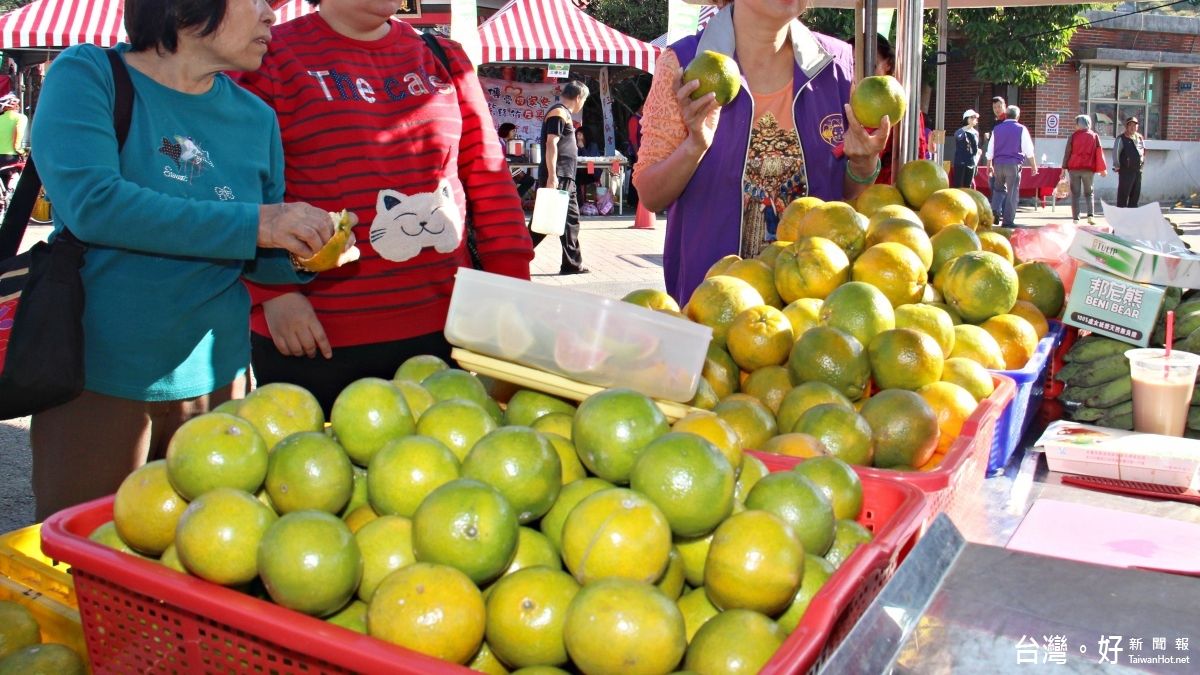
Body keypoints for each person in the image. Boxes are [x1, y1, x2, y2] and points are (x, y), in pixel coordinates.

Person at [29, 0, 340, 519]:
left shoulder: (255, 117)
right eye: (258, 0)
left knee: (210, 560)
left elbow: (255, 255)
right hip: (97, 377)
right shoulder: (87, 74)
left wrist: (306, 255)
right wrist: (260, 224)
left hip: (220, 382)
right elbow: (94, 204)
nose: (270, 16)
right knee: (81, 556)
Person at [237, 0, 533, 414]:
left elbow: (488, 177)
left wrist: (513, 292)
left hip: (448, 333)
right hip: (315, 337)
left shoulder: (444, 56)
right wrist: (271, 293)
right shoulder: (268, 56)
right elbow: (239, 186)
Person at [633, 0, 889, 304]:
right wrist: (695, 145)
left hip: (817, 307)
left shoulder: (839, 64)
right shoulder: (684, 63)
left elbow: (845, 195)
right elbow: (651, 194)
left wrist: (863, 163)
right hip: (714, 304)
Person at [531, 81, 589, 275]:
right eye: (584, 100)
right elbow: (551, 144)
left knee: (570, 220)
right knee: (543, 223)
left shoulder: (563, 113)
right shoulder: (558, 113)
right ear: (579, 97)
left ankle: (571, 264)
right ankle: (513, 254)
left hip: (566, 176)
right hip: (558, 176)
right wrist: (552, 176)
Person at [874, 35, 927, 185]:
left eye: (872, 65)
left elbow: (917, 158)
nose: (859, 71)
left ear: (888, 64)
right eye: (851, 64)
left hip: (888, 194)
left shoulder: (901, 106)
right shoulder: (841, 105)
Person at [985, 104, 1038, 227]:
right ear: (1018, 116)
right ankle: (1008, 221)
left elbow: (990, 148)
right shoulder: (1021, 129)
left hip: (998, 164)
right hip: (1013, 164)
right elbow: (1028, 149)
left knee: (998, 189)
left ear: (1006, 115)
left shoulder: (997, 129)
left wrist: (989, 164)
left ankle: (995, 211)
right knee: (1012, 193)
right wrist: (1033, 166)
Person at [1061, 114, 1107, 223]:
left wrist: (1063, 168)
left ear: (1079, 124)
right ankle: (1090, 216)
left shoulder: (1073, 136)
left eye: (1076, 124)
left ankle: (1076, 218)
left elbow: (1067, 153)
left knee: (1075, 194)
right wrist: (1102, 168)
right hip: (1088, 169)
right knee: (1089, 193)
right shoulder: (1094, 136)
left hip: (1074, 168)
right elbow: (1099, 152)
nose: (1075, 126)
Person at [1113, 116, 1145, 208]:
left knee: (1135, 194)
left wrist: (1142, 164)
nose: (1132, 127)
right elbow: (1116, 153)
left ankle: (1132, 215)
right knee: (1123, 194)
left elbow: (1143, 151)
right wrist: (1117, 165)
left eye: (1134, 125)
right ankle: (1121, 215)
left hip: (1137, 171)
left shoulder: (1140, 138)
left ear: (1137, 127)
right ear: (1126, 127)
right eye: (1130, 125)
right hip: (1126, 171)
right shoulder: (1121, 138)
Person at [0, 94, 27, 190]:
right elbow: (18, 135)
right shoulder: (20, 118)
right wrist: (21, 151)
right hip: (10, 157)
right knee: (12, 185)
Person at [952, 109, 981, 189]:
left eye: (975, 117)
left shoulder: (975, 132)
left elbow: (976, 147)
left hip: (971, 161)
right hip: (960, 161)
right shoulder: (961, 131)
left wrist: (976, 160)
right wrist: (967, 128)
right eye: (972, 117)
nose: (975, 119)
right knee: (958, 185)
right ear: (966, 119)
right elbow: (957, 136)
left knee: (968, 185)